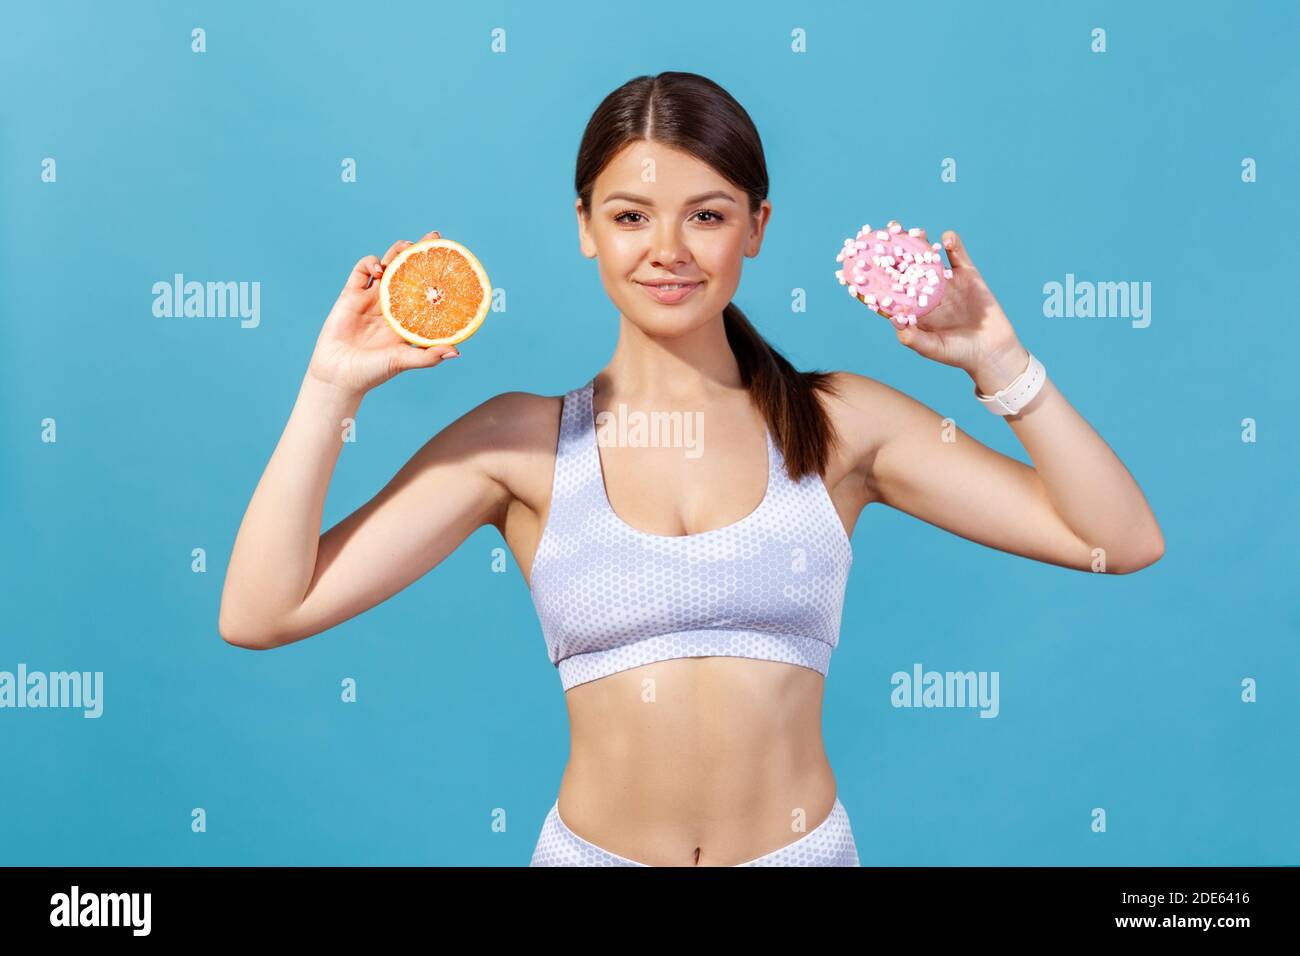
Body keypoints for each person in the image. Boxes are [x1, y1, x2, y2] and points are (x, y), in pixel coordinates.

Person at [218, 71, 1164, 867]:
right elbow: (262, 612)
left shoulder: (841, 426)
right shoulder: (518, 445)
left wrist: (1001, 365)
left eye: (706, 215)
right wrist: (328, 387)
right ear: (585, 226)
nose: (667, 250)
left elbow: (1117, 542)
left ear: (756, 226)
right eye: (631, 215)